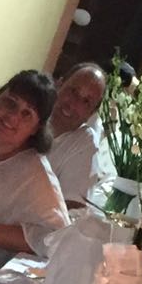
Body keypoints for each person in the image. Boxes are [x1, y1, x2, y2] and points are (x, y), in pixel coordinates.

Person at [0, 70, 72, 273]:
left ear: (36, 128)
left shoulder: (35, 175)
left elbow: (59, 240)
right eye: (10, 102)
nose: (12, 116)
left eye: (26, 113)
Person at [45, 62, 115, 208]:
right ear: (59, 84)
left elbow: (73, 208)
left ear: (91, 113)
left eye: (86, 101)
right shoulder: (28, 114)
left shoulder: (84, 142)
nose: (74, 103)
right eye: (73, 91)